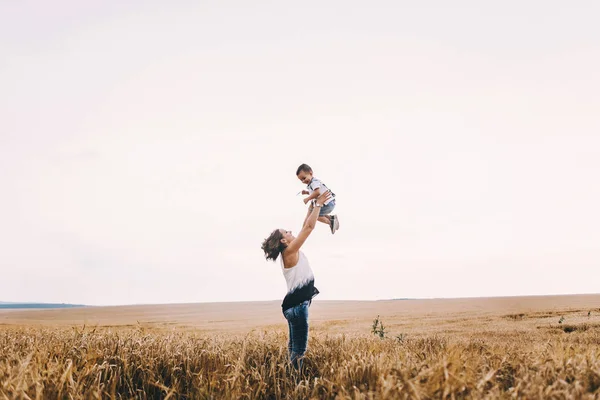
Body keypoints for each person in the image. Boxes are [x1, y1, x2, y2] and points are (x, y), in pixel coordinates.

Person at [261, 189, 333, 371]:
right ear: (284, 241)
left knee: (293, 349)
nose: (291, 232)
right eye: (287, 232)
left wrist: (312, 206)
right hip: (298, 307)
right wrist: (318, 205)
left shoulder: (289, 251)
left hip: (293, 307)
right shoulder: (290, 252)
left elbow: (304, 226)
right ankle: (294, 383)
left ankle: (287, 380)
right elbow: (308, 228)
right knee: (299, 351)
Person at [296, 163, 340, 234]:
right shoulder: (311, 184)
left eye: (304, 178)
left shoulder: (314, 182)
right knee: (316, 212)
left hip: (328, 203)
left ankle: (331, 222)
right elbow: (314, 192)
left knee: (315, 216)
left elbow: (317, 193)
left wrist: (308, 198)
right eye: (301, 180)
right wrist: (307, 192)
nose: (303, 181)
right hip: (329, 202)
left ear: (311, 173)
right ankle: (332, 218)